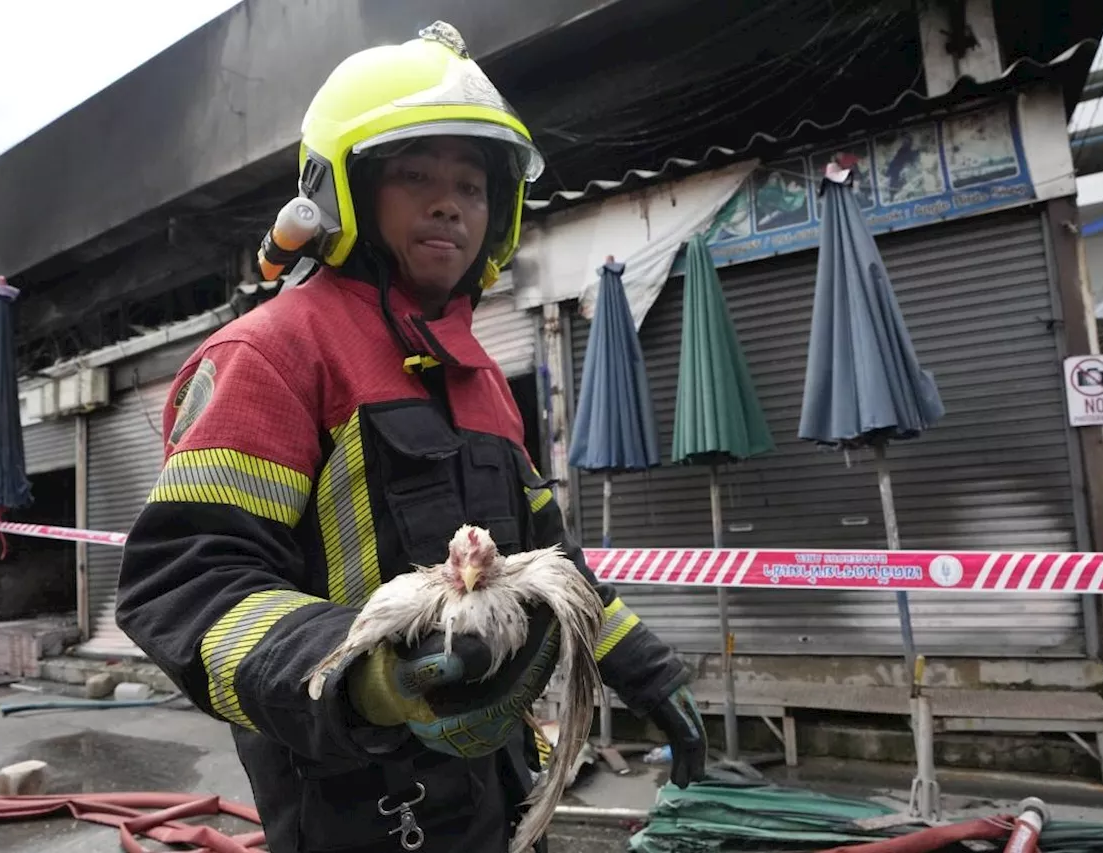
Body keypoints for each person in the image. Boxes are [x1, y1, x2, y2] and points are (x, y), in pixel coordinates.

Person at [115, 21, 707, 853]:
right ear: (342, 192)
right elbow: (187, 583)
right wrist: (364, 674)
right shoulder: (273, 354)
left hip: (499, 784)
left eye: (472, 185)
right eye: (417, 175)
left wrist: (644, 670)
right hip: (359, 807)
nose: (450, 204)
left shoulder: (477, 373)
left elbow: (549, 554)